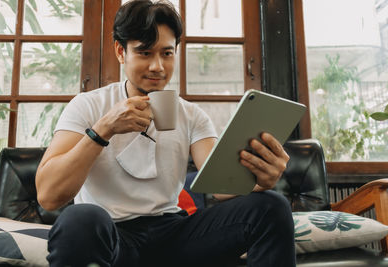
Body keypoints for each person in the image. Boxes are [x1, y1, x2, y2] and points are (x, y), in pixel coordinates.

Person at [35, 0, 295, 266]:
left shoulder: (192, 115)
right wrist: (104, 129)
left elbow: (220, 185)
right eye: (145, 53)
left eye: (167, 53)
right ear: (120, 52)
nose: (158, 66)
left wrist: (262, 179)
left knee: (271, 207)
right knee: (80, 219)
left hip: (173, 234)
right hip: (112, 235)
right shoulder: (88, 105)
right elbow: (48, 195)